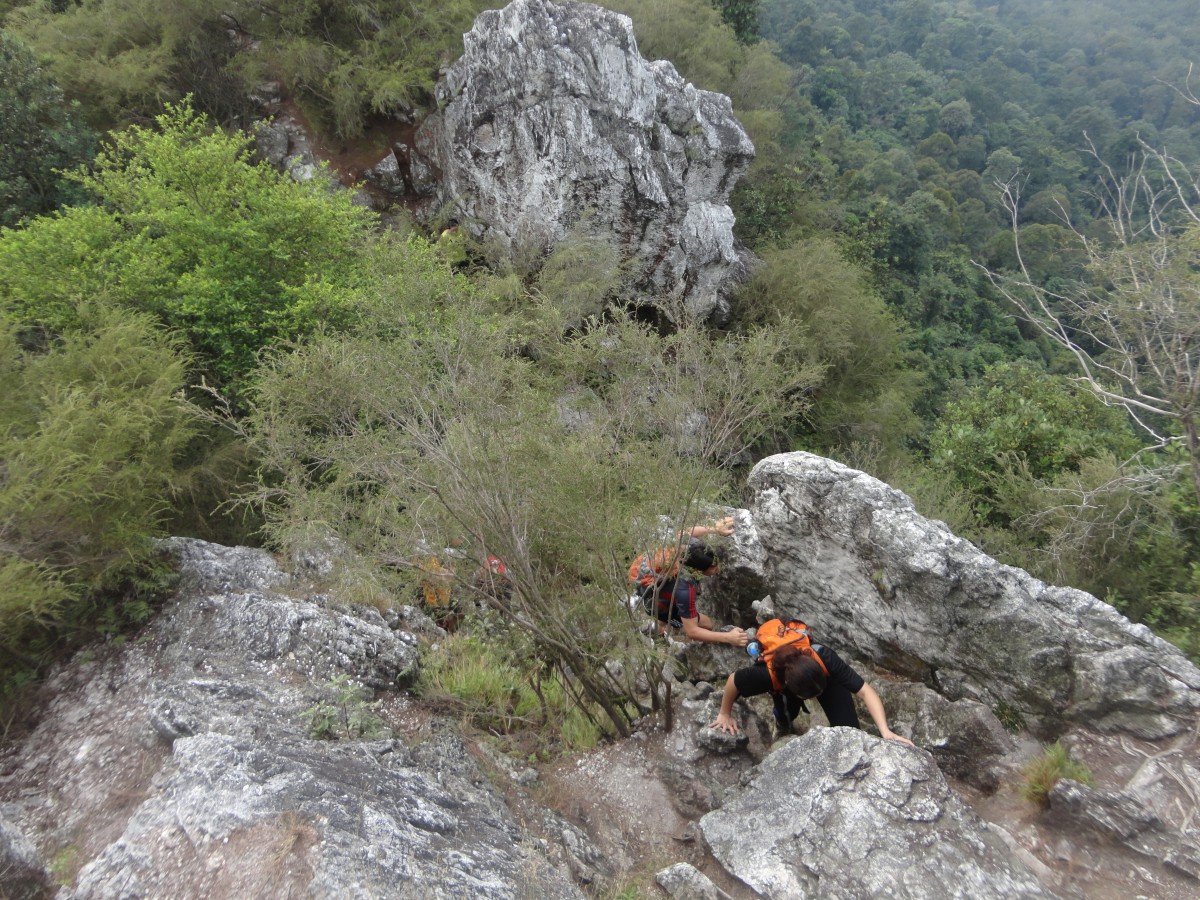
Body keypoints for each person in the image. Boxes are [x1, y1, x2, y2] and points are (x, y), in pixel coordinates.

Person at [709, 632, 914, 744]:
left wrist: (885, 731)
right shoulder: (767, 676)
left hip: (817, 676)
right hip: (785, 682)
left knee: (850, 731)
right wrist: (724, 713)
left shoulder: (825, 658)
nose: (817, 697)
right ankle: (783, 725)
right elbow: (733, 681)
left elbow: (864, 691)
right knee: (788, 712)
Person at [630, 516, 749, 648]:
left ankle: (659, 624)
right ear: (697, 571)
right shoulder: (684, 589)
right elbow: (692, 631)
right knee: (707, 624)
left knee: (693, 617)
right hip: (652, 596)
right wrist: (728, 637)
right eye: (713, 568)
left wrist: (715, 528)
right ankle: (658, 628)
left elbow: (683, 532)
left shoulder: (689, 548)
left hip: (643, 570)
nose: (718, 569)